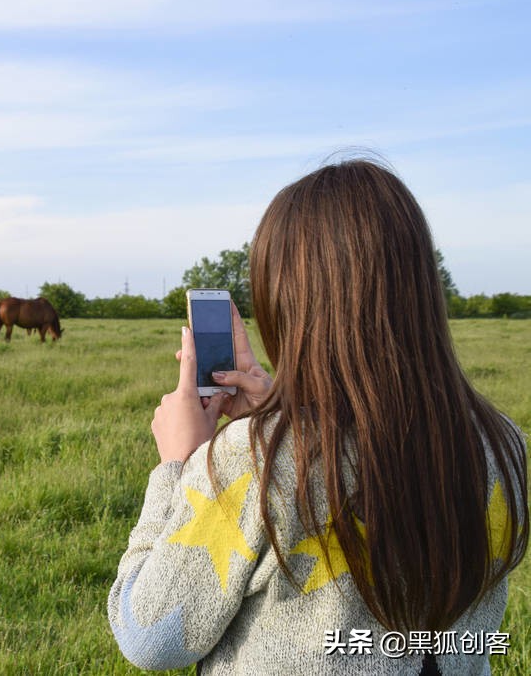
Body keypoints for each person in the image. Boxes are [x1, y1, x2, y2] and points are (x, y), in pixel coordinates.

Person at [108, 159, 527, 674]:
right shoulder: (503, 444)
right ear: (419, 290)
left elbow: (151, 635)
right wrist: (288, 413)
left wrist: (179, 466)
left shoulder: (252, 459)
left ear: (288, 304)